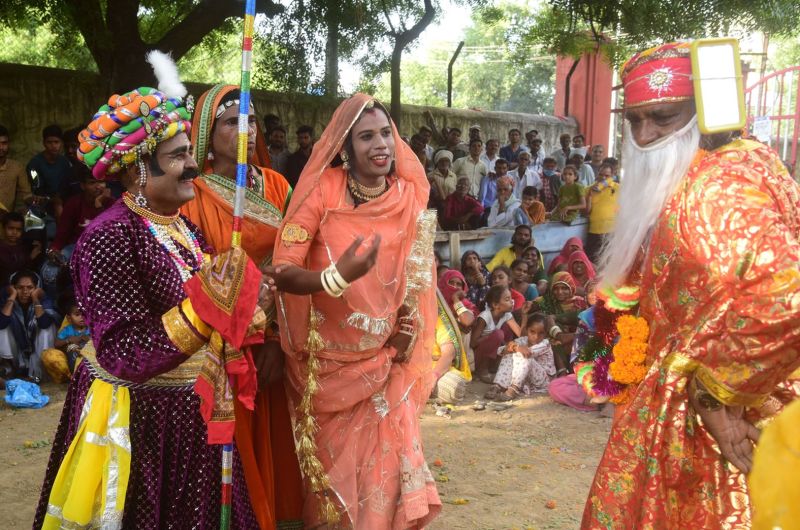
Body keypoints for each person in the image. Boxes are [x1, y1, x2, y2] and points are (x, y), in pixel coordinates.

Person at [35, 61, 268, 528]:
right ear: (140, 167)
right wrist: (210, 307)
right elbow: (123, 351)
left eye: (189, 152)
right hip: (141, 427)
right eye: (179, 156)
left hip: (190, 418)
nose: (193, 165)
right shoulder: (109, 236)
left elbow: (212, 310)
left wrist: (246, 303)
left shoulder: (183, 228)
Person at [583, 42, 800, 529]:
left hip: (707, 425)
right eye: (634, 121)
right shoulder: (749, 162)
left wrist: (718, 393)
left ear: (703, 112)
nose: (645, 137)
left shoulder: (712, 189)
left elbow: (788, 297)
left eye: (664, 118)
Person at [270, 93, 440, 528]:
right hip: (326, 368)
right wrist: (334, 277)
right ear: (345, 147)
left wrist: (409, 323)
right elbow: (283, 269)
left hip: (385, 359)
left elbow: (418, 274)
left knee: (383, 480)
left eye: (385, 133)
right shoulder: (322, 190)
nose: (380, 144)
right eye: (366, 136)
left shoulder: (407, 196)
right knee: (334, 493)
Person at [180, 84, 303, 529]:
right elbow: (195, 277)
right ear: (206, 136)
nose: (245, 130)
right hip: (223, 346)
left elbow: (299, 260)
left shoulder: (278, 185)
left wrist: (276, 338)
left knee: (279, 449)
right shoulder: (192, 195)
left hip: (276, 338)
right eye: (232, 122)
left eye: (250, 120)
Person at [0, 270, 58, 382]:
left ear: (37, 288)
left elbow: (44, 323)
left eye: (30, 287)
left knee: (48, 328)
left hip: (36, 352)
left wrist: (36, 299)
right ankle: (7, 370)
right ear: (13, 288)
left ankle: (41, 372)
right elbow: (2, 323)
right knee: (2, 328)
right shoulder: (6, 299)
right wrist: (12, 297)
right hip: (16, 352)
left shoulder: (44, 299)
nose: (25, 291)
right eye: (20, 287)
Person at [485, 313, 556, 401]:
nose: (536, 337)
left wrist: (515, 347)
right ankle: (498, 385)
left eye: (541, 333)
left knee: (523, 355)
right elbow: (500, 351)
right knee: (509, 353)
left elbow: (527, 352)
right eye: (532, 332)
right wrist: (512, 347)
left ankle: (513, 389)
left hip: (543, 380)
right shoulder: (523, 340)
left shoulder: (545, 344)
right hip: (528, 379)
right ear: (527, 330)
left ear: (546, 334)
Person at [48, 171, 113, 260]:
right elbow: (63, 232)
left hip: (104, 248)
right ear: (83, 186)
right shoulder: (73, 203)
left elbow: (109, 233)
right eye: (92, 183)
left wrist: (99, 206)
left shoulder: (112, 203)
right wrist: (54, 249)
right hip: (77, 246)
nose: (98, 186)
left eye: (101, 182)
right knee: (52, 266)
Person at [530, 271, 587, 372]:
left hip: (578, 341)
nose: (559, 292)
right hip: (556, 343)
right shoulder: (546, 302)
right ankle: (563, 370)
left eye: (564, 288)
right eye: (556, 288)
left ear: (571, 288)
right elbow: (527, 309)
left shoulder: (581, 303)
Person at [470, 284, 517, 383]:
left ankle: (495, 366)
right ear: (495, 305)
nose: (511, 302)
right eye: (507, 299)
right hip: (477, 357)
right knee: (498, 334)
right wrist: (490, 336)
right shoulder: (485, 317)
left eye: (511, 298)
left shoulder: (507, 315)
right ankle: (482, 370)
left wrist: (525, 316)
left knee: (506, 328)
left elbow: (520, 333)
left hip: (492, 354)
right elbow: (473, 343)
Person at [26, 124, 72, 216]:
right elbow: (37, 187)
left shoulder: (65, 162)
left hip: (62, 202)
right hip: (41, 203)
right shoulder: (34, 164)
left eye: (56, 142)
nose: (53, 146)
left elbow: (67, 184)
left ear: (61, 143)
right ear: (44, 143)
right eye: (49, 142)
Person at [584, 162, 619, 263]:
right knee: (592, 260)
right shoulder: (588, 189)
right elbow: (586, 212)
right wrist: (590, 195)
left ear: (612, 176)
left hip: (611, 231)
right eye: (601, 174)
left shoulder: (618, 188)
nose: (603, 178)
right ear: (597, 174)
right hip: (594, 230)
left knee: (609, 261)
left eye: (607, 175)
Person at [0, 211, 41, 287]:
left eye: (18, 229)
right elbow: (11, 268)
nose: (14, 232)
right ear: (3, 228)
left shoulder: (23, 246)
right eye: (11, 228)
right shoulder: (2, 247)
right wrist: (30, 257)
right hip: (5, 286)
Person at [0, 125, 31, 212]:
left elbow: (26, 194)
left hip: (7, 218)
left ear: (8, 144)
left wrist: (34, 200)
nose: (1, 147)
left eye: (4, 143)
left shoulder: (17, 167)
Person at [53, 298, 90, 372]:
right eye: (77, 314)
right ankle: (75, 373)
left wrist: (89, 339)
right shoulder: (67, 330)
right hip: (73, 360)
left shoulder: (91, 329)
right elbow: (56, 344)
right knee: (72, 348)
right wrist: (68, 340)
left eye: (84, 313)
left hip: (89, 360)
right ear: (69, 318)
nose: (82, 317)